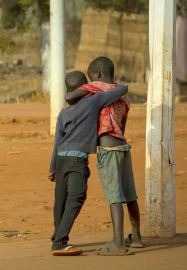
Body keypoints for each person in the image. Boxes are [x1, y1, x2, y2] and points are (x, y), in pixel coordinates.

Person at [66, 56, 144, 256]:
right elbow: (122, 126)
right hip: (123, 147)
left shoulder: (96, 86)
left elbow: (69, 97)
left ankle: (117, 243)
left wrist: (85, 91)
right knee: (130, 194)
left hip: (108, 150)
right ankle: (136, 237)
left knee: (114, 196)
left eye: (90, 77)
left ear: (97, 75)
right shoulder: (124, 95)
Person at [49, 70, 129, 256]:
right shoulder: (93, 102)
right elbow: (122, 90)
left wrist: (52, 168)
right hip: (77, 160)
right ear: (86, 87)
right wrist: (109, 86)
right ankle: (60, 243)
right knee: (77, 197)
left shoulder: (63, 112)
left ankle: (57, 238)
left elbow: (56, 141)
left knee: (60, 199)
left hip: (61, 159)